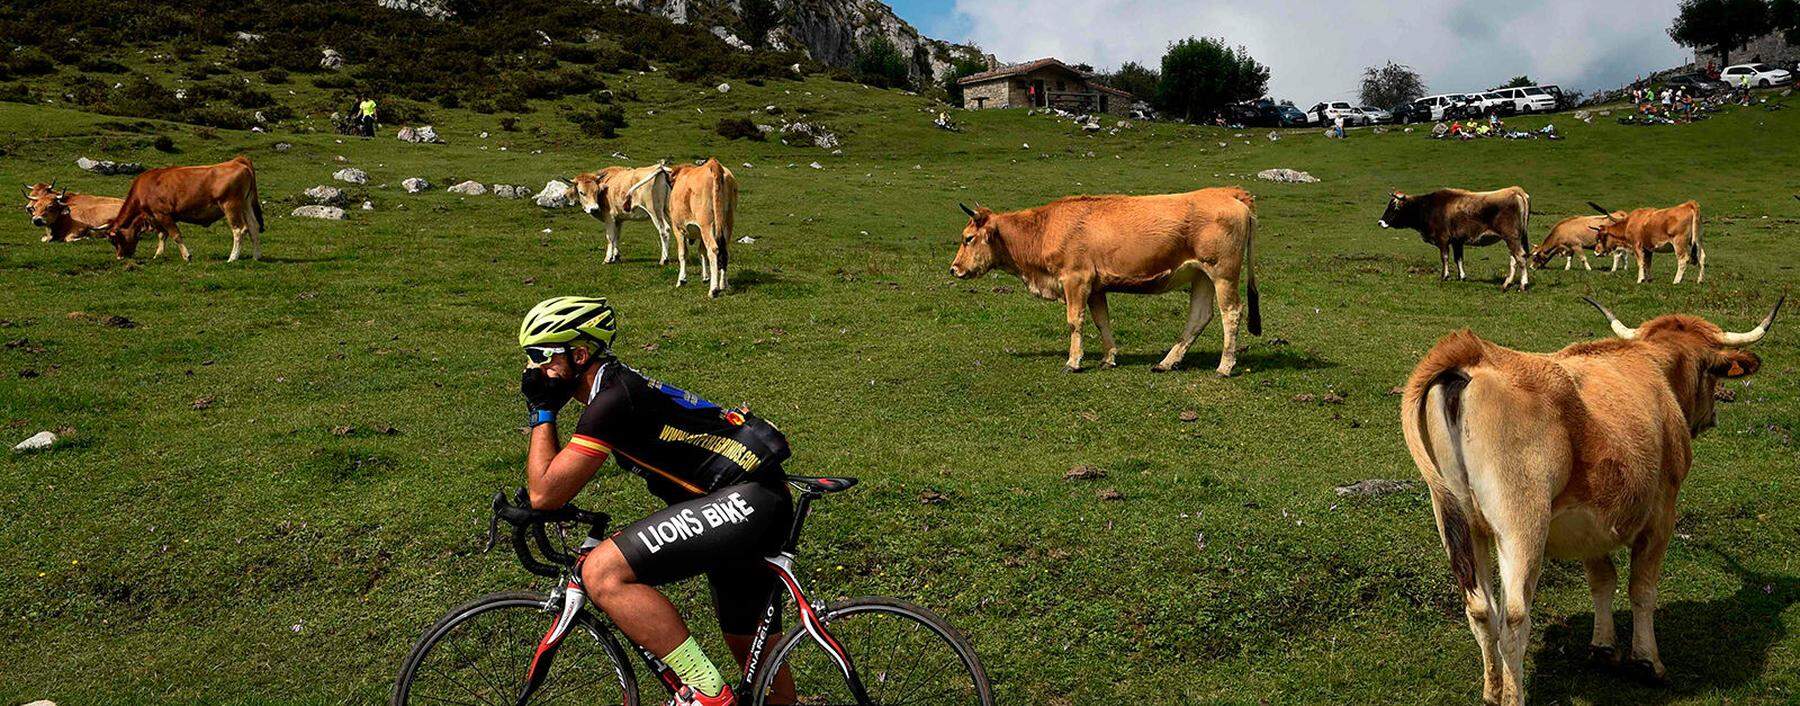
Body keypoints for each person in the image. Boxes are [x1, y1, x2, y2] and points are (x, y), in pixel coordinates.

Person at [515, 296, 799, 706]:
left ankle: (705, 692)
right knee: (748, 640)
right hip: (748, 496)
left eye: (541, 356)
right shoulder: (612, 388)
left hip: (747, 500)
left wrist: (541, 412)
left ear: (579, 354)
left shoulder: (612, 400)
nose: (533, 370)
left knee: (602, 572)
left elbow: (545, 492)